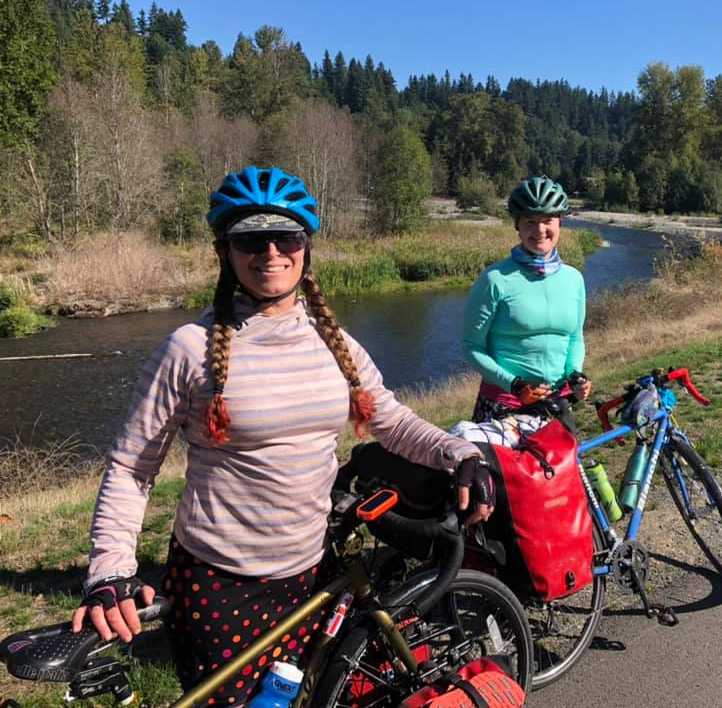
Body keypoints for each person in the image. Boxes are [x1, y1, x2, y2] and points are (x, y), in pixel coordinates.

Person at [71, 166, 494, 706]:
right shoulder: (188, 349)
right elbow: (133, 466)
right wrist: (110, 570)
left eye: (285, 236)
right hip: (218, 582)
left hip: (310, 571)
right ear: (226, 251)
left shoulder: (333, 343)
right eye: (250, 238)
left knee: (297, 696)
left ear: (305, 246)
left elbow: (389, 419)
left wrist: (460, 453)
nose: (270, 251)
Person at [461, 175, 592, 433]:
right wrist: (514, 384)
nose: (540, 230)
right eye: (530, 221)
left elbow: (575, 338)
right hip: (503, 407)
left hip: (557, 405)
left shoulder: (573, 279)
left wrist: (575, 375)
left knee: (565, 473)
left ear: (560, 223)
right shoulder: (495, 279)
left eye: (547, 221)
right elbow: (471, 346)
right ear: (517, 226)